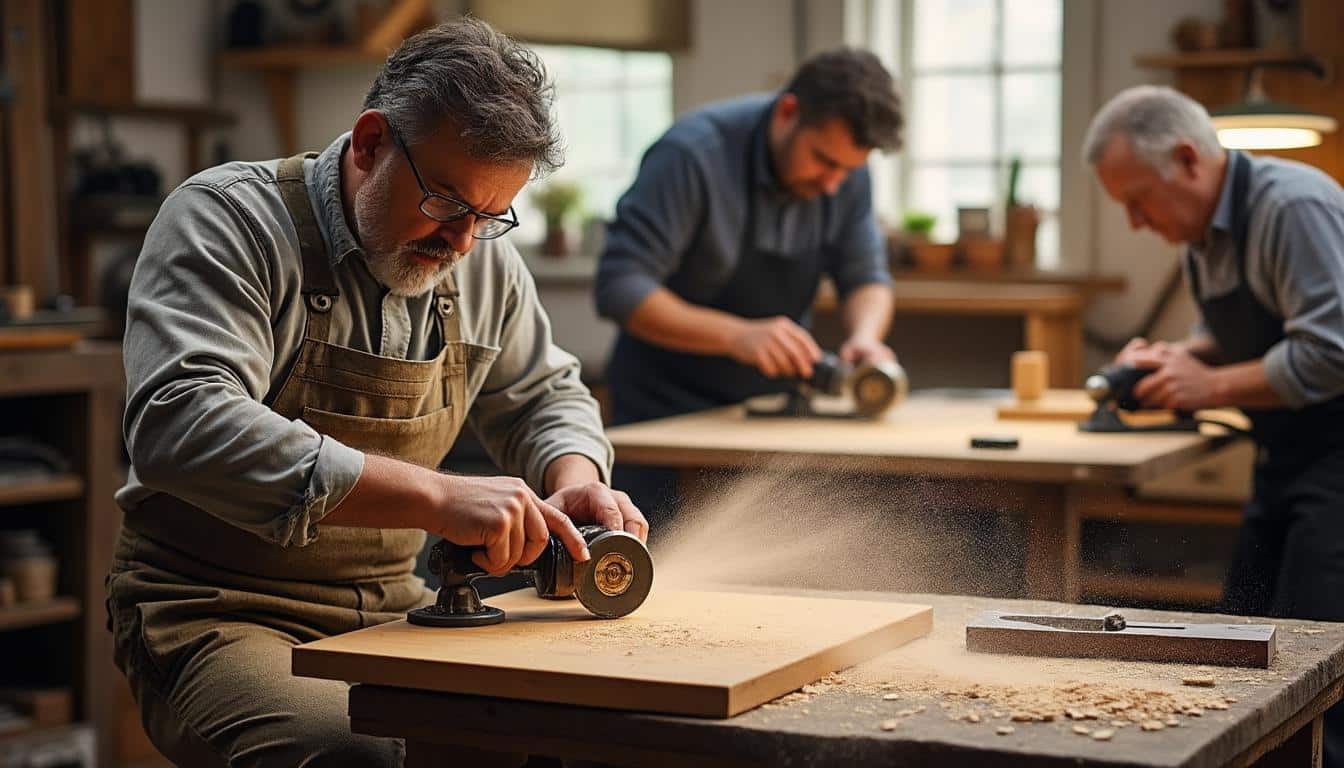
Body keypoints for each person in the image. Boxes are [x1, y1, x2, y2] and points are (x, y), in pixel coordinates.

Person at [106, 18, 646, 767]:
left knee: (545, 736)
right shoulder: (228, 221)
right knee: (352, 755)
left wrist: (575, 477)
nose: (463, 242)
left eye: (491, 216)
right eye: (447, 203)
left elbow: (542, 396)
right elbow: (181, 423)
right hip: (214, 608)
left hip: (395, 604)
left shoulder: (480, 262)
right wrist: (437, 497)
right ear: (369, 143)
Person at [1084, 84, 1344, 766]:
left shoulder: (1293, 207)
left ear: (1187, 160)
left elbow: (1332, 350)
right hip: (1284, 453)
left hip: (1338, 457)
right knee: (1242, 638)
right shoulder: (1204, 233)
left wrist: (1212, 385)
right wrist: (1175, 359)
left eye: (1138, 200)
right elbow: (1227, 334)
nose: (1135, 222)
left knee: (1316, 658)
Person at [595, 48, 904, 525]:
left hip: (766, 416)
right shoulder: (692, 155)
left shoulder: (845, 175)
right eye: (823, 161)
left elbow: (866, 278)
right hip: (664, 415)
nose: (832, 185)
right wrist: (737, 335)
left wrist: (866, 337)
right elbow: (621, 287)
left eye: (846, 170)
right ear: (788, 112)